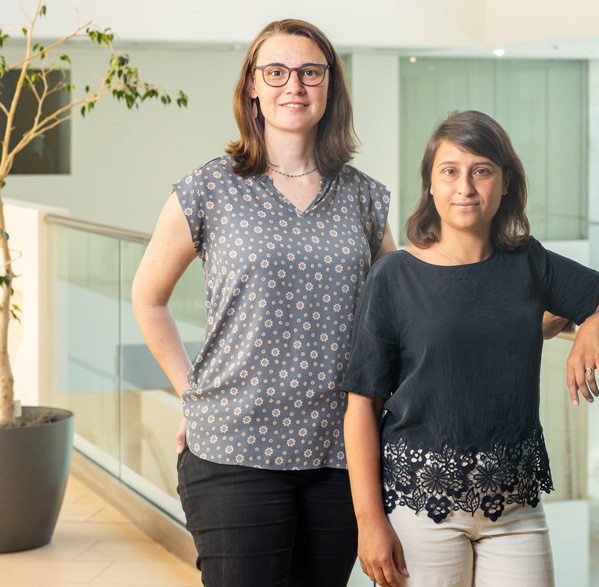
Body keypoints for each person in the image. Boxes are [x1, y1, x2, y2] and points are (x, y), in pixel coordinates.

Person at [131, 19, 394, 586]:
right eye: (275, 72)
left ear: (330, 87)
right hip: (233, 450)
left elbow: (398, 312)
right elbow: (148, 298)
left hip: (339, 454)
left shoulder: (365, 198)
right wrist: (190, 392)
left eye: (309, 73)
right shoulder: (208, 188)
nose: (292, 86)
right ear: (252, 85)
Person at [342, 110, 599, 587]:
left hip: (516, 510)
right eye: (450, 171)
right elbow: (361, 408)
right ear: (430, 186)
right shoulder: (393, 276)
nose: (466, 187)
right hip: (421, 510)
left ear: (504, 184)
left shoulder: (529, 263)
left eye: (482, 171)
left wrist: (591, 328)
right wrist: (370, 522)